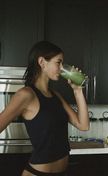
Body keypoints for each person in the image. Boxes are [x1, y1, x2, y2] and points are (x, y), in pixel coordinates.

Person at [0, 41, 89, 176]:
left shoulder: (56, 96)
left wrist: (77, 91)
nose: (61, 68)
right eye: (58, 62)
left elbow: (83, 125)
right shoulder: (26, 95)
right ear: (42, 62)